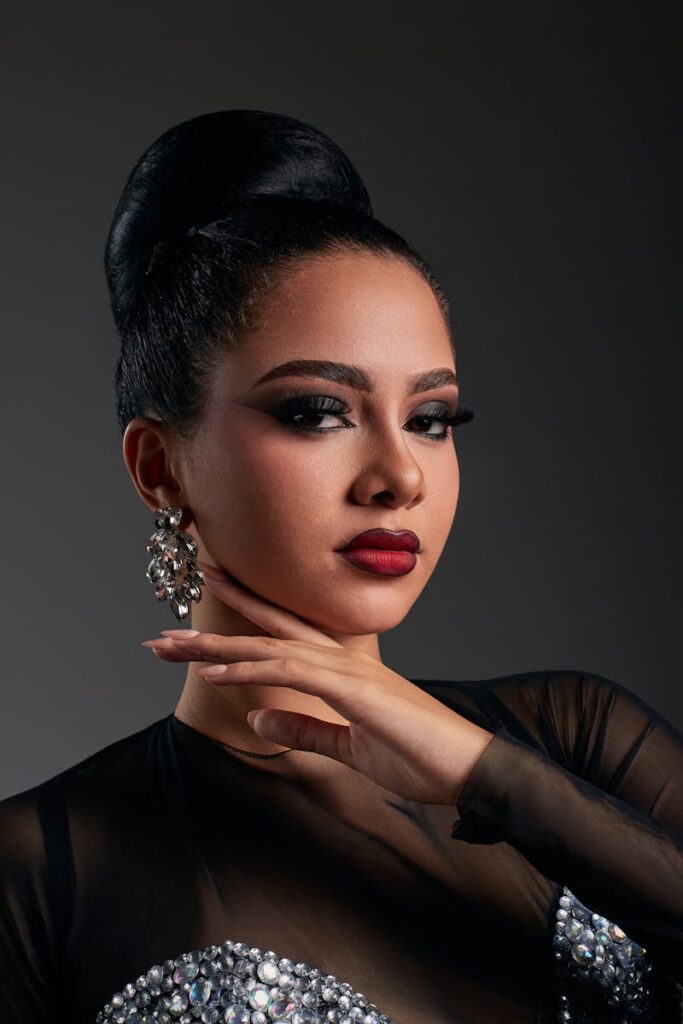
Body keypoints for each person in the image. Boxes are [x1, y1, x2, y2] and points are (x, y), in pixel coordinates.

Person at [0, 109, 681, 1024]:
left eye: (430, 420)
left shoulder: (574, 736)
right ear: (160, 467)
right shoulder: (44, 868)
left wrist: (488, 774)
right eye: (319, 411)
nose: (400, 475)